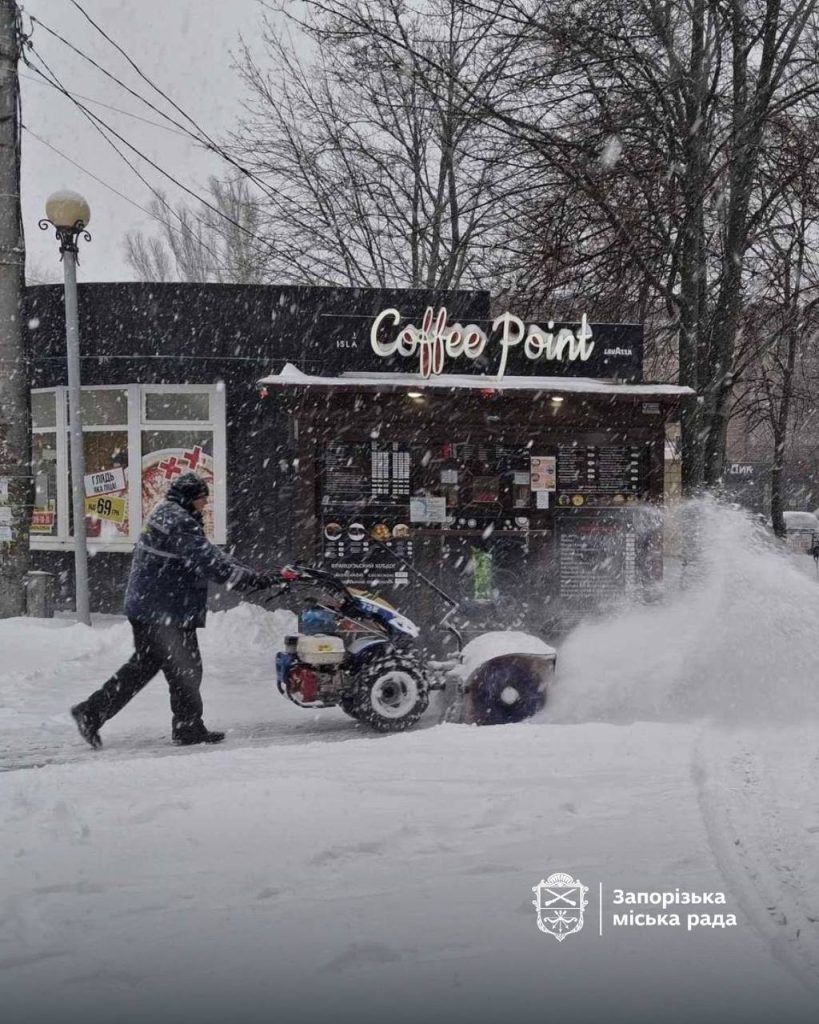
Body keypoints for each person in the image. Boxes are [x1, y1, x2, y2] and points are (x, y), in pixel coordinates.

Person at [70, 472, 276, 748]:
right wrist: (250, 580)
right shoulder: (178, 522)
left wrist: (250, 572)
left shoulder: (168, 513)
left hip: (151, 606)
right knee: (186, 669)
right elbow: (209, 562)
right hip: (164, 611)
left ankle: (92, 712)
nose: (205, 504)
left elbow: (210, 553)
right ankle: (186, 728)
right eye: (202, 499)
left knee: (146, 666)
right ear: (189, 498)